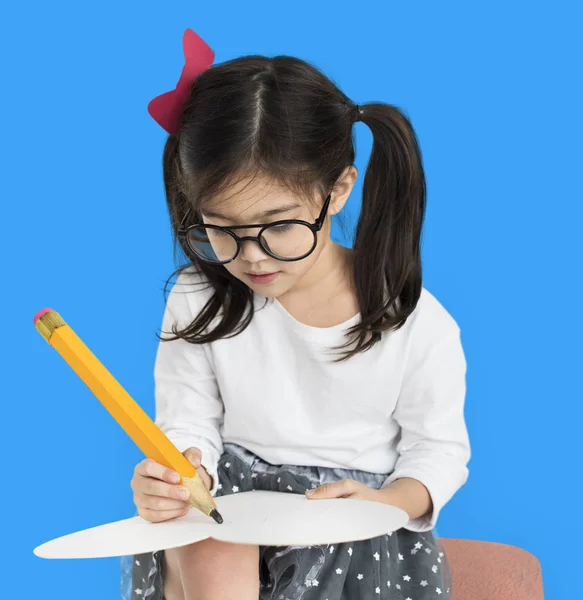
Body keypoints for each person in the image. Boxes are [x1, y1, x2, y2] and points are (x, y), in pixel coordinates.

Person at [120, 28, 470, 600]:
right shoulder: (197, 295)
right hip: (230, 502)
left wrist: (391, 501)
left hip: (347, 520)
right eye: (223, 230)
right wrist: (184, 473)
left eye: (279, 226)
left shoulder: (412, 318)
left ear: (337, 191)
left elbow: (440, 450)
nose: (251, 256)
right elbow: (189, 419)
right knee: (204, 538)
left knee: (327, 546)